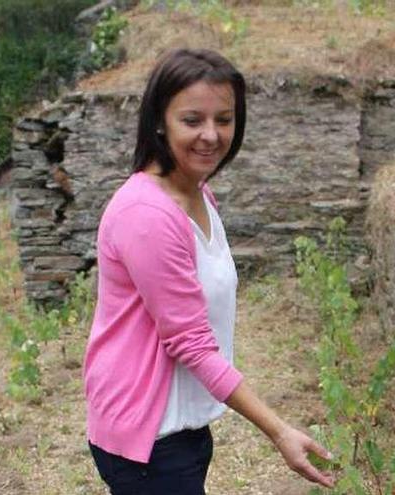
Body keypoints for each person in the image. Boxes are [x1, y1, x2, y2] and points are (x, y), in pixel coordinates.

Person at [83, 48, 335, 494]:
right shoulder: (147, 213)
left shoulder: (198, 195)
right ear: (160, 121)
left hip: (181, 427)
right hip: (150, 436)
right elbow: (191, 343)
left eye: (224, 119)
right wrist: (279, 431)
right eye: (193, 119)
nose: (211, 135)